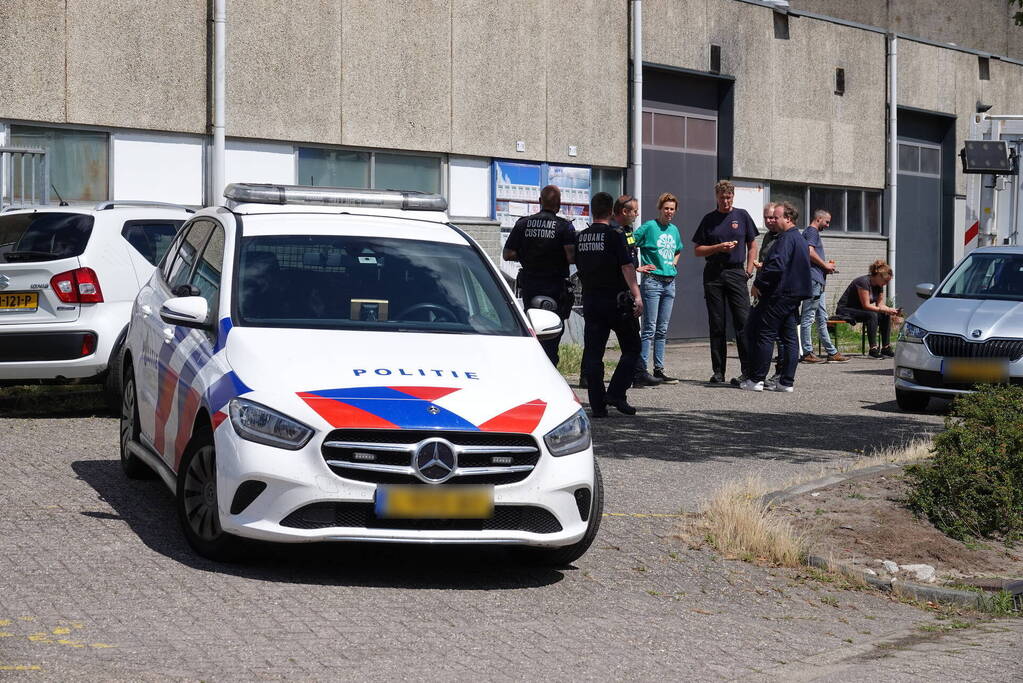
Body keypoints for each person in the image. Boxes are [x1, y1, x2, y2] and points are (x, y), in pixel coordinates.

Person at [575, 192, 643, 418]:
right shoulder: (615, 235)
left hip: (591, 301)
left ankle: (598, 406)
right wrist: (637, 295)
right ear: (610, 211)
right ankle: (615, 393)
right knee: (632, 348)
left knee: (594, 354)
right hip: (616, 301)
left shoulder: (581, 237)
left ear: (593, 209)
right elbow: (627, 266)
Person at [693, 179, 758, 384]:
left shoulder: (742, 216)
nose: (726, 201)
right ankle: (718, 371)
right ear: (716, 197)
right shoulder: (709, 219)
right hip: (713, 273)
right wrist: (718, 248)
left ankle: (748, 370)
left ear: (733, 196)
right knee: (717, 323)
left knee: (743, 322)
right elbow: (698, 250)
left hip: (736, 272)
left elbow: (752, 244)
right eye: (722, 198)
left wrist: (749, 270)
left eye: (729, 197)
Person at [503, 185, 576, 366]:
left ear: (540, 201)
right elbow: (571, 257)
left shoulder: (523, 224)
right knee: (553, 332)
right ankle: (549, 367)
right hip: (555, 287)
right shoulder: (564, 226)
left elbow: (508, 254)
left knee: (533, 328)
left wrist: (528, 255)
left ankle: (533, 364)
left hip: (531, 286)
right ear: (559, 204)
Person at [743, 202, 812, 392]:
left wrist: (758, 284)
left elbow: (777, 266)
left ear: (788, 218)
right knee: (789, 338)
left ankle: (756, 380)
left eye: (778, 217)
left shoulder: (786, 239)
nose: (774, 220)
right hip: (794, 295)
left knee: (765, 334)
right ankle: (786, 382)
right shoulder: (799, 238)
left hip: (779, 295)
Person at [633, 192, 682, 386]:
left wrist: (673, 263)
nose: (669, 212)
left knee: (662, 329)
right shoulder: (649, 227)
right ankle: (641, 371)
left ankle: (659, 370)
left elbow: (678, 249)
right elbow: (629, 244)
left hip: (670, 283)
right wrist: (637, 267)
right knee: (649, 329)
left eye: (672, 209)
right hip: (652, 282)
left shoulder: (674, 230)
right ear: (660, 209)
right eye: (666, 208)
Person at [798, 210, 849, 364]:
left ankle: (831, 352)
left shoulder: (809, 232)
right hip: (813, 281)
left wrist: (825, 268)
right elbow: (809, 251)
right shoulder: (812, 232)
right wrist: (825, 265)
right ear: (818, 218)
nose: (827, 225)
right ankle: (807, 352)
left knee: (822, 317)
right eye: (826, 222)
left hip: (818, 281)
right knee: (808, 317)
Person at [834, 260, 900, 358]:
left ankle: (886, 347)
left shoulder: (879, 285)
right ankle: (873, 349)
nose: (886, 284)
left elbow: (880, 305)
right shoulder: (863, 282)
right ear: (879, 276)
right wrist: (884, 310)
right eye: (886, 281)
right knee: (872, 315)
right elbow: (866, 305)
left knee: (885, 314)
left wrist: (890, 310)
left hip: (860, 310)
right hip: (846, 309)